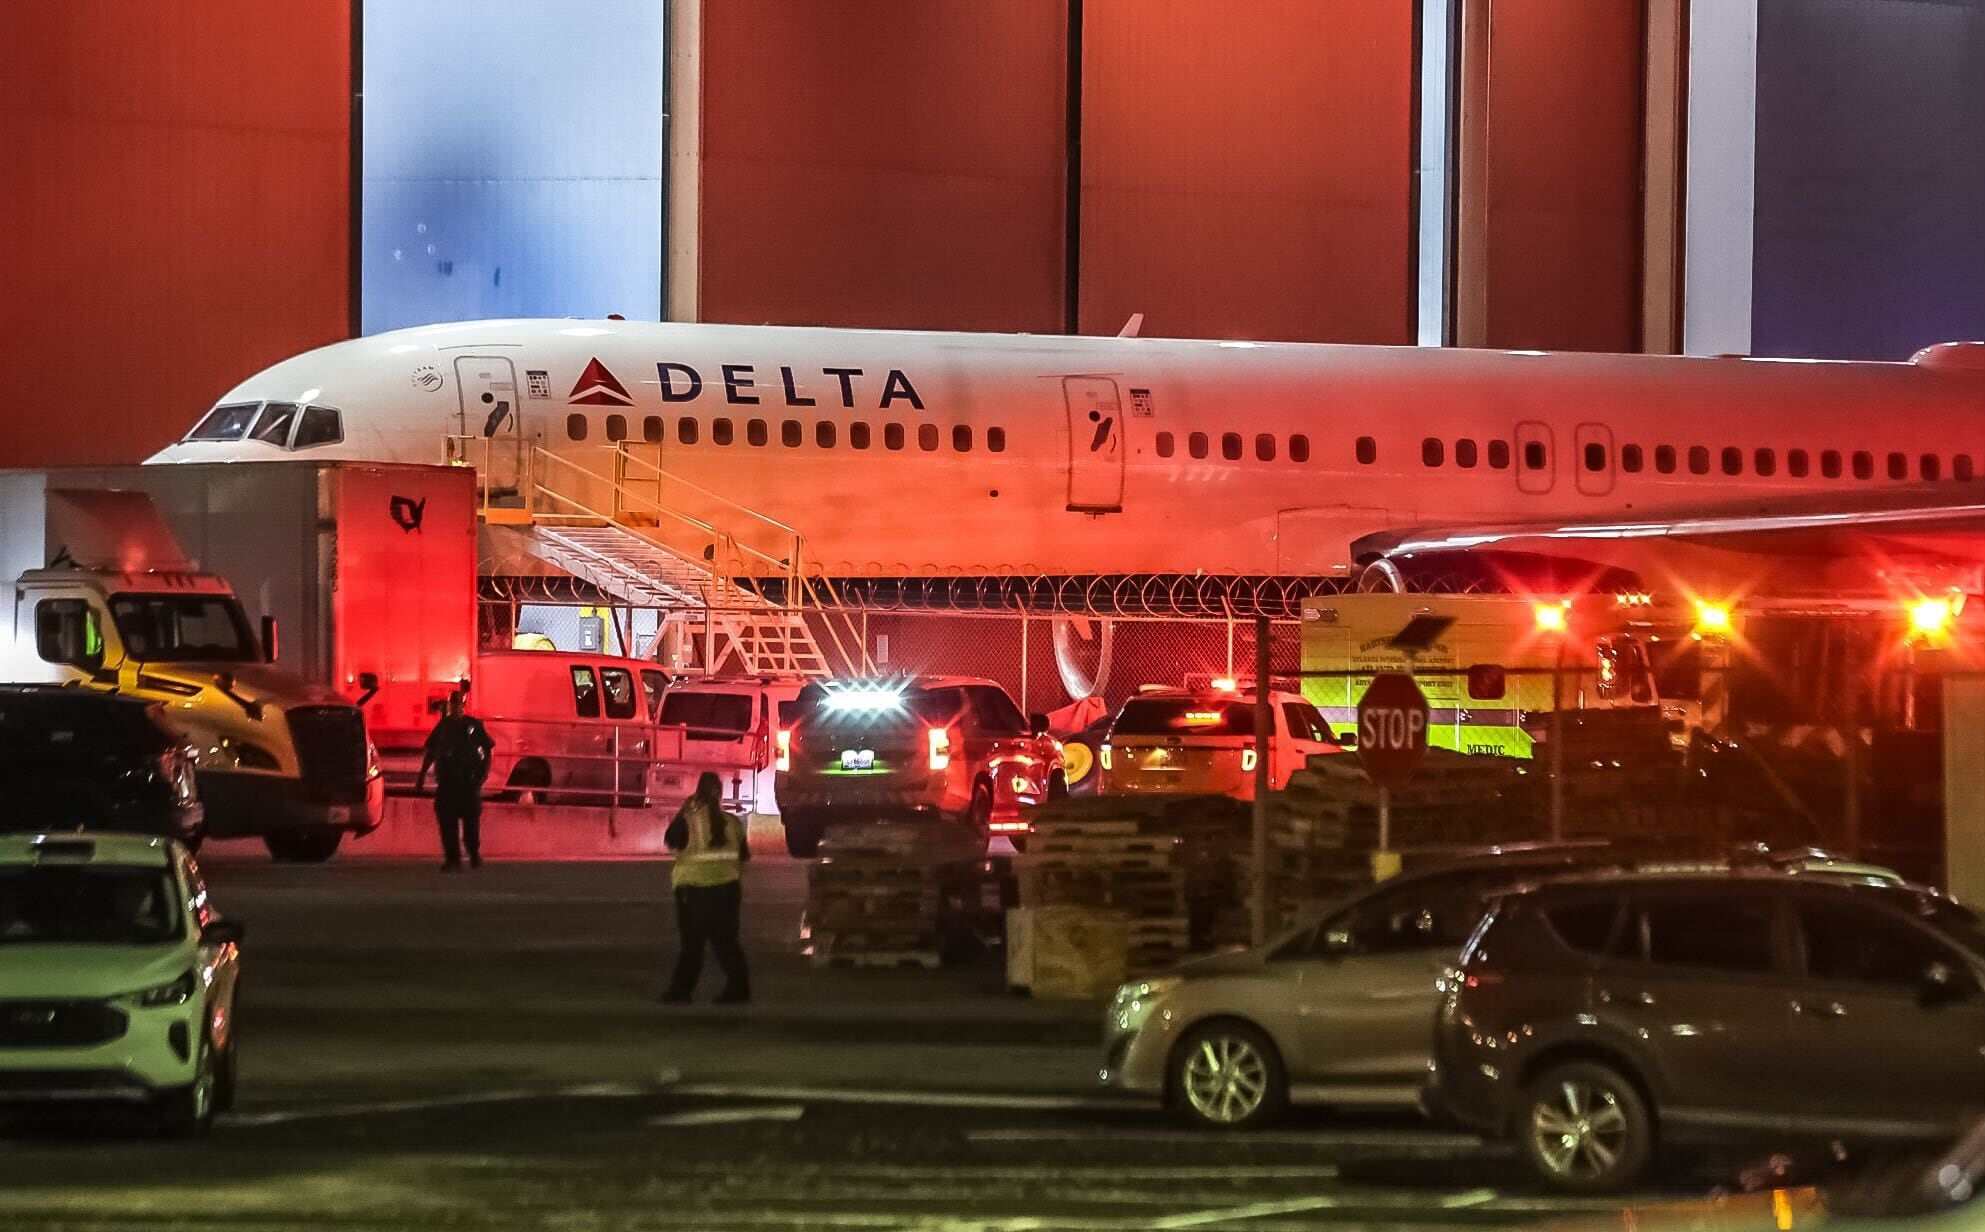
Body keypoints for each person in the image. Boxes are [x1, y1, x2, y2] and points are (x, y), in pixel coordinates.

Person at [662, 771, 750, 1004]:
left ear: (697, 792)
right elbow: (744, 855)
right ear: (720, 794)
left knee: (692, 947)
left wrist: (685, 808)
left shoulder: (688, 819)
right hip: (728, 891)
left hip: (694, 890)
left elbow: (671, 841)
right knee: (726, 943)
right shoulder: (733, 823)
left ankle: (681, 992)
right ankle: (739, 989)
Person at [417, 691, 494, 872]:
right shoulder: (443, 726)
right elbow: (431, 751)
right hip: (447, 781)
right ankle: (453, 858)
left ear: (463, 706)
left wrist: (483, 774)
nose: (456, 707)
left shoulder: (473, 725)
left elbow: (487, 749)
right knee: (447, 822)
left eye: (459, 704)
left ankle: (473, 854)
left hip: (469, 781)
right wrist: (421, 775)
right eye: (453, 704)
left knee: (471, 822)